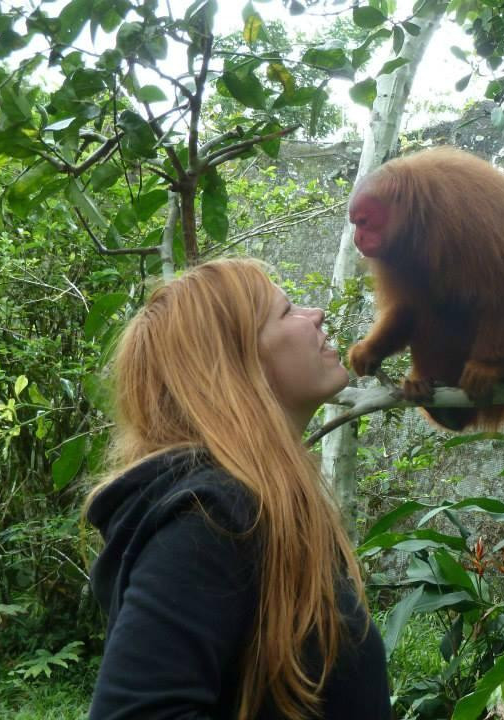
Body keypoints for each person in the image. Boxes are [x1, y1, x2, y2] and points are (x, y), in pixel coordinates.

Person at [84, 258, 391, 720]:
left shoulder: (263, 506)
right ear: (235, 364)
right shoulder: (212, 519)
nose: (316, 315)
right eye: (288, 311)